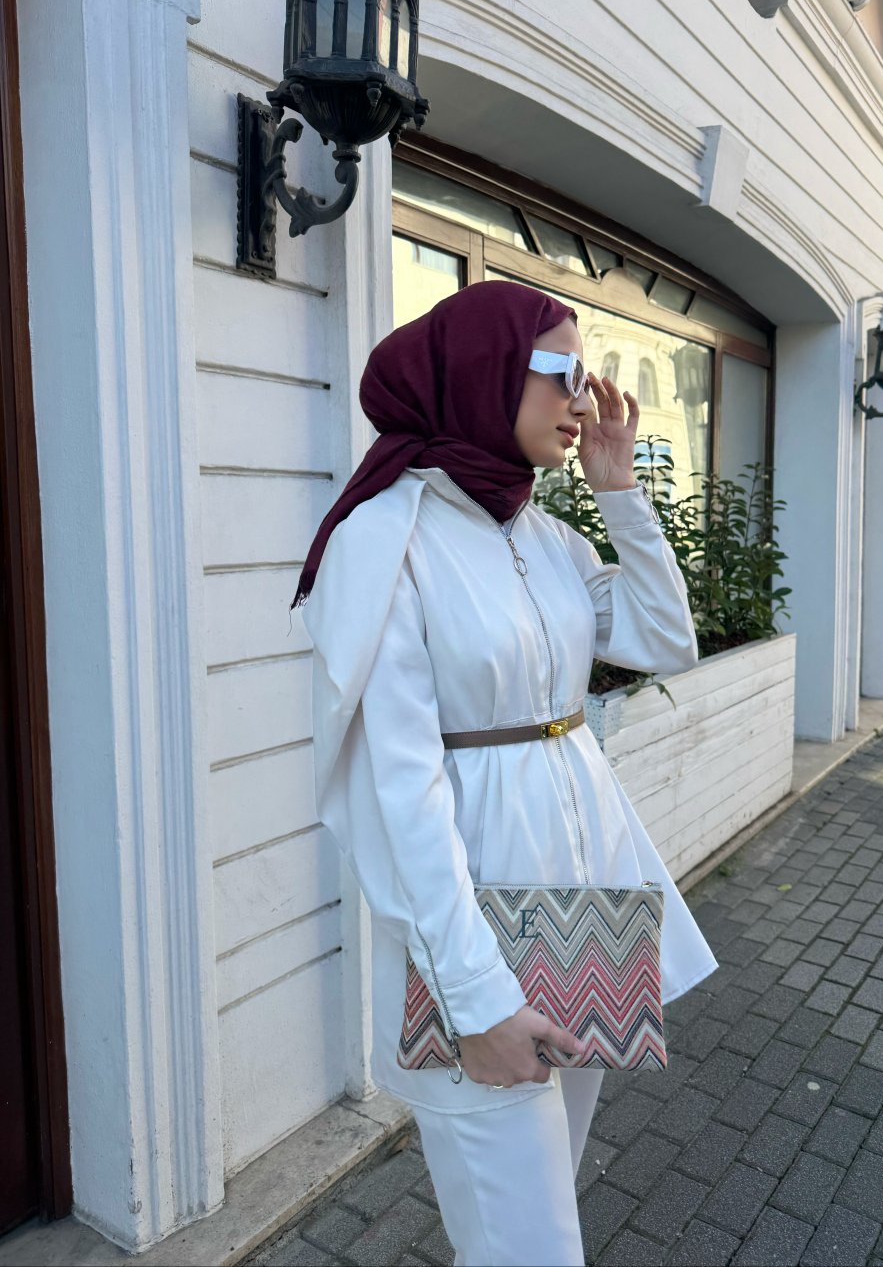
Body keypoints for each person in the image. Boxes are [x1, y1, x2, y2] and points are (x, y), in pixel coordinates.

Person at [292, 279, 717, 1266]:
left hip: (583, 909)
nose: (583, 398)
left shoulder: (545, 534)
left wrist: (620, 494)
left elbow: (664, 639)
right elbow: (396, 794)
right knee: (526, 1245)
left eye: (586, 374)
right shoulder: (385, 539)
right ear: (484, 369)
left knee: (542, 1213)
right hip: (473, 933)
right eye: (561, 370)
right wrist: (473, 997)